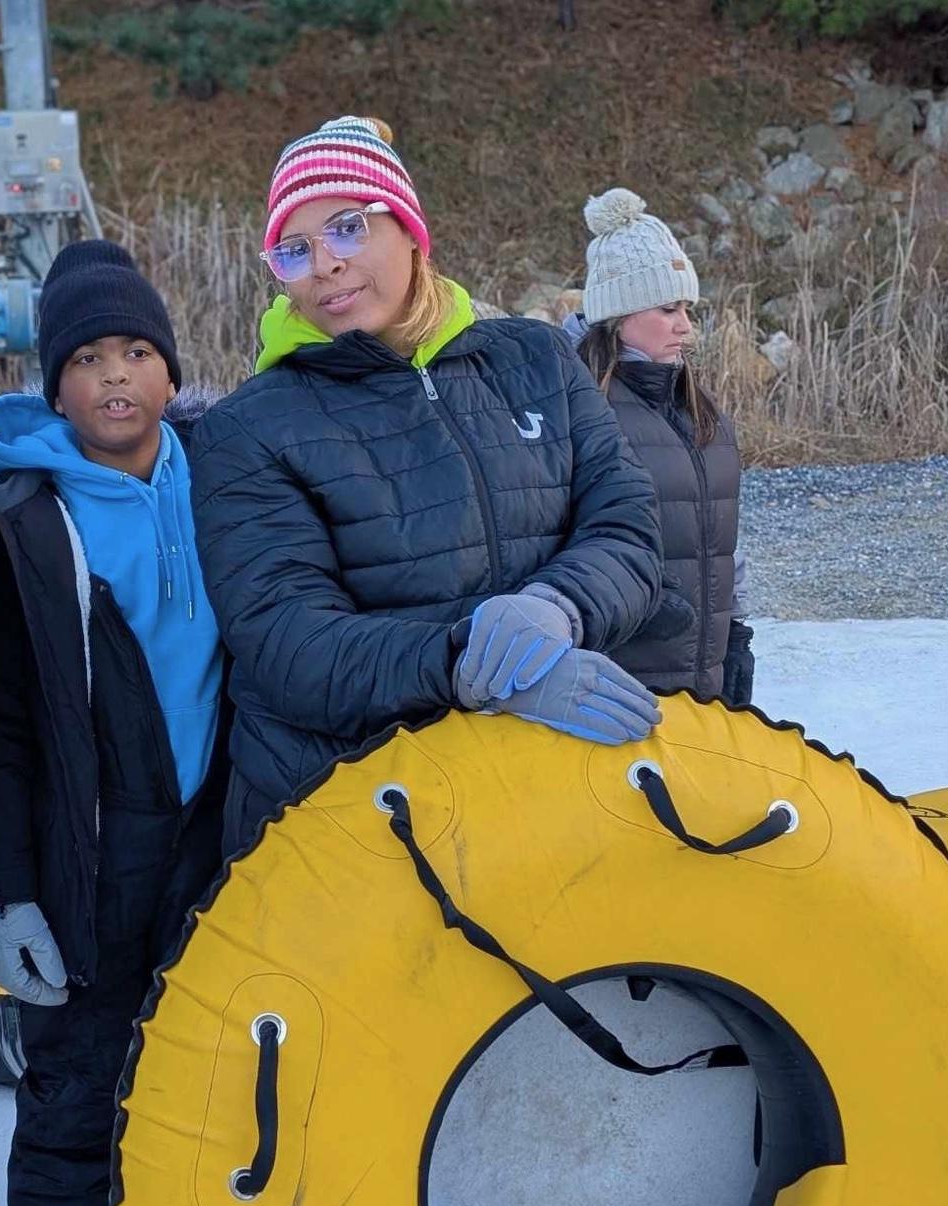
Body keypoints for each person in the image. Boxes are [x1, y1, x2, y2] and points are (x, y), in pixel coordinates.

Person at [189, 115, 665, 853]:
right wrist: (466, 661)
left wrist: (557, 606)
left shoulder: (536, 359)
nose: (325, 264)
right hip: (352, 821)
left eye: (347, 228)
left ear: (410, 231)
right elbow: (288, 642)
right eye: (294, 249)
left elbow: (626, 524)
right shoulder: (247, 429)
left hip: (543, 791)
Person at [0, 242, 227, 1206]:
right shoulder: (22, 515)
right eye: (85, 359)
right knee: (76, 1084)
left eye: (134, 352)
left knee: (207, 1073)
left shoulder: (224, 476)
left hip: (212, 829)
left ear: (169, 370)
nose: (115, 376)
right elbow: (1, 723)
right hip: (92, 848)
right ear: (54, 385)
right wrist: (2, 889)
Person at [564, 187, 753, 703]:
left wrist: (736, 634)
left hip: (704, 679)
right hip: (618, 685)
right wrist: (641, 602)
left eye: (687, 308)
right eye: (668, 308)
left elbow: (723, 538)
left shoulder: (702, 412)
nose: (685, 326)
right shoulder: (577, 409)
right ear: (618, 314)